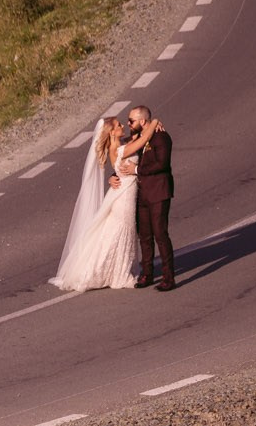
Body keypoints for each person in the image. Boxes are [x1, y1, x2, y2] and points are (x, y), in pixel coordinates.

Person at [49, 114, 160, 293]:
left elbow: (138, 138)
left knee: (118, 232)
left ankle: (116, 269)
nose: (122, 125)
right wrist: (154, 121)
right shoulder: (119, 148)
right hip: (124, 196)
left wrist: (113, 176)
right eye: (118, 125)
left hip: (124, 191)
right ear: (111, 132)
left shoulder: (119, 144)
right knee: (122, 232)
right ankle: (116, 273)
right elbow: (145, 138)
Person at [123, 104, 176, 289]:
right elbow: (123, 157)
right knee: (144, 236)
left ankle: (169, 277)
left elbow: (162, 164)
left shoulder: (161, 137)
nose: (128, 123)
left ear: (142, 121)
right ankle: (147, 274)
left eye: (131, 120)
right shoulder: (136, 139)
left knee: (160, 234)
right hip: (142, 194)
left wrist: (136, 170)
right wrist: (115, 176)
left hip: (159, 192)